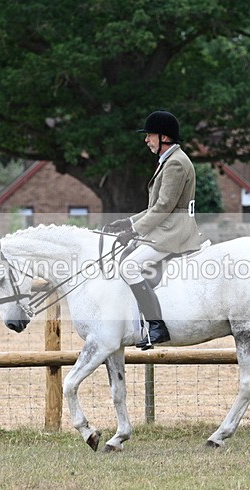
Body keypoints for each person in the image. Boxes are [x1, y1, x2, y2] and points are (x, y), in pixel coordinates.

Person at [103, 110, 202, 349]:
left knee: (129, 266)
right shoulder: (169, 160)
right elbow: (154, 208)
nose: (146, 140)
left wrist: (135, 230)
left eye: (150, 135)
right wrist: (128, 222)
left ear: (164, 137)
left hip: (173, 231)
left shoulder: (175, 163)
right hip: (167, 226)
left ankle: (157, 326)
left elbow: (164, 207)